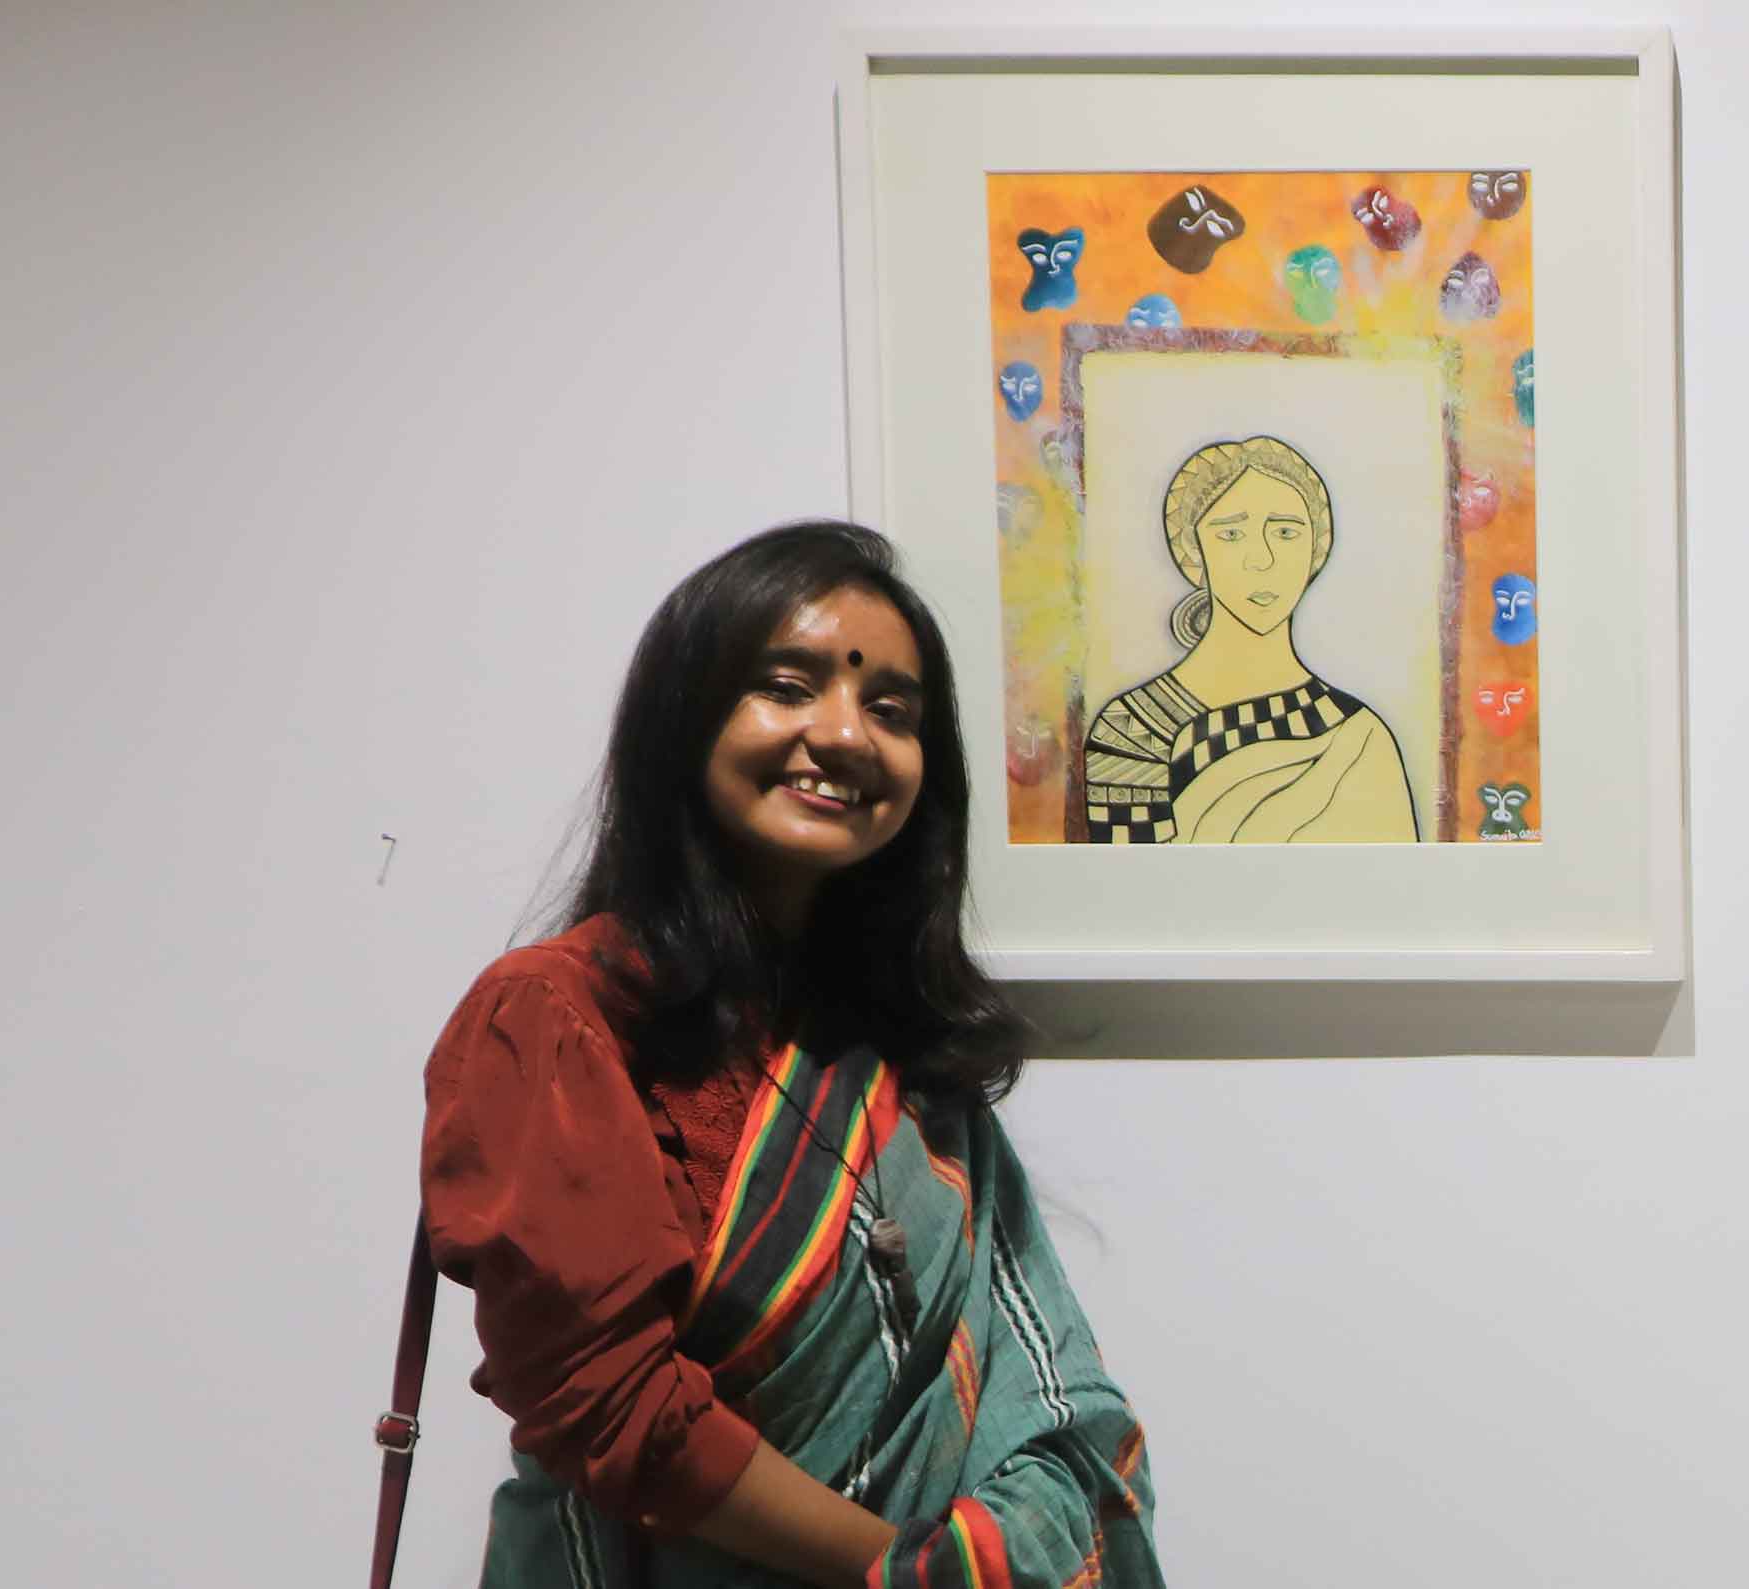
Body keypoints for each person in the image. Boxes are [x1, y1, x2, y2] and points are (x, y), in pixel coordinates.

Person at [418, 522, 1161, 1586]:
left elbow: (1052, 1398)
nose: (847, 733)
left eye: (891, 709)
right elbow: (613, 1408)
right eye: (786, 686)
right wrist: (912, 1571)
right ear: (684, 716)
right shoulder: (560, 1018)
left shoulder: (897, 1041)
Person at [1080, 436, 1417, 843]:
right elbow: (1130, 881)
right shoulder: (1133, 729)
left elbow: (1396, 877)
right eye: (1231, 534)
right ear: (1193, 549)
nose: (1262, 559)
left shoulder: (1360, 736)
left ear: (1317, 547)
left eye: (1286, 532)